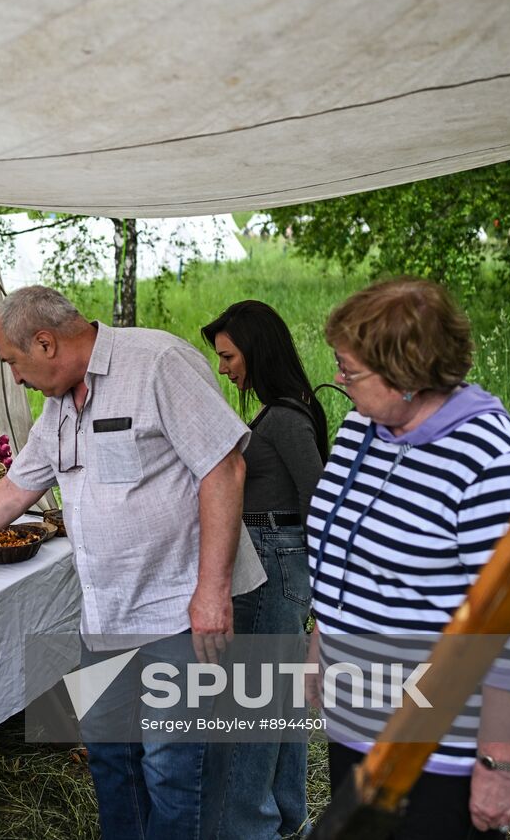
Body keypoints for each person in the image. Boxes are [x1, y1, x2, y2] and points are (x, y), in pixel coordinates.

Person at [0, 285, 266, 839]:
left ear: (46, 343)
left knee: (173, 774)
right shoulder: (61, 403)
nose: (15, 378)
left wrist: (211, 592)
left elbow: (224, 469)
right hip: (108, 616)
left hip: (179, 613)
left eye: (15, 363)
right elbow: (18, 485)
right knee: (113, 763)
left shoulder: (157, 363)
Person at [307, 278, 510, 839]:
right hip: (359, 724)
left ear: (407, 376)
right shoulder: (362, 428)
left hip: (442, 752)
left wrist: (499, 768)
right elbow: (342, 546)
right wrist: (324, 632)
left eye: (351, 371)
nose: (340, 382)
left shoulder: (493, 466)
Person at [200, 300, 327, 838]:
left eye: (229, 356)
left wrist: (326, 599)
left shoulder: (285, 417)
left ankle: (247, 826)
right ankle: (287, 814)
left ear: (257, 349)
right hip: (277, 553)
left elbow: (319, 500)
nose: (225, 367)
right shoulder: (280, 411)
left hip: (277, 558)